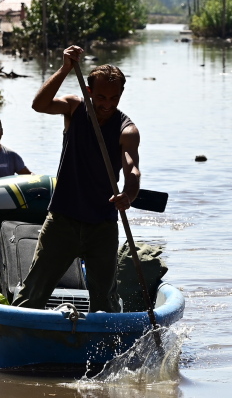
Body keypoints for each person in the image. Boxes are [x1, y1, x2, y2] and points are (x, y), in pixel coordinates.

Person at [13, 45, 141, 313]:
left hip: (102, 226)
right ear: (90, 91)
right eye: (101, 97)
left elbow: (132, 169)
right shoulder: (74, 108)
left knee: (105, 301)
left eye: (114, 98)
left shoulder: (126, 130)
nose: (107, 104)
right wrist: (65, 69)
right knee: (32, 293)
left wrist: (128, 196)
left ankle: (105, 346)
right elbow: (39, 105)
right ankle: (15, 333)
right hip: (63, 219)